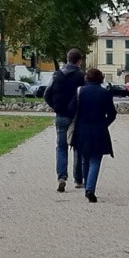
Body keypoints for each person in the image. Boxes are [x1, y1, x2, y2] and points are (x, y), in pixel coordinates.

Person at [69, 68, 117, 203]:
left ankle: (86, 185)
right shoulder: (105, 93)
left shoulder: (80, 92)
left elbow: (71, 109)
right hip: (99, 130)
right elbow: (112, 114)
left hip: (82, 130)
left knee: (84, 158)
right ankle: (90, 189)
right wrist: (104, 124)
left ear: (87, 78)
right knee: (95, 160)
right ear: (101, 79)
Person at [43, 49, 87, 192]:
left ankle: (62, 177)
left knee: (61, 147)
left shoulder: (57, 75)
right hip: (76, 116)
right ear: (78, 61)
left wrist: (55, 106)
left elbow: (46, 94)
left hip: (61, 115)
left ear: (67, 59)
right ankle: (78, 179)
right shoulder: (81, 76)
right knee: (77, 147)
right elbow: (85, 95)